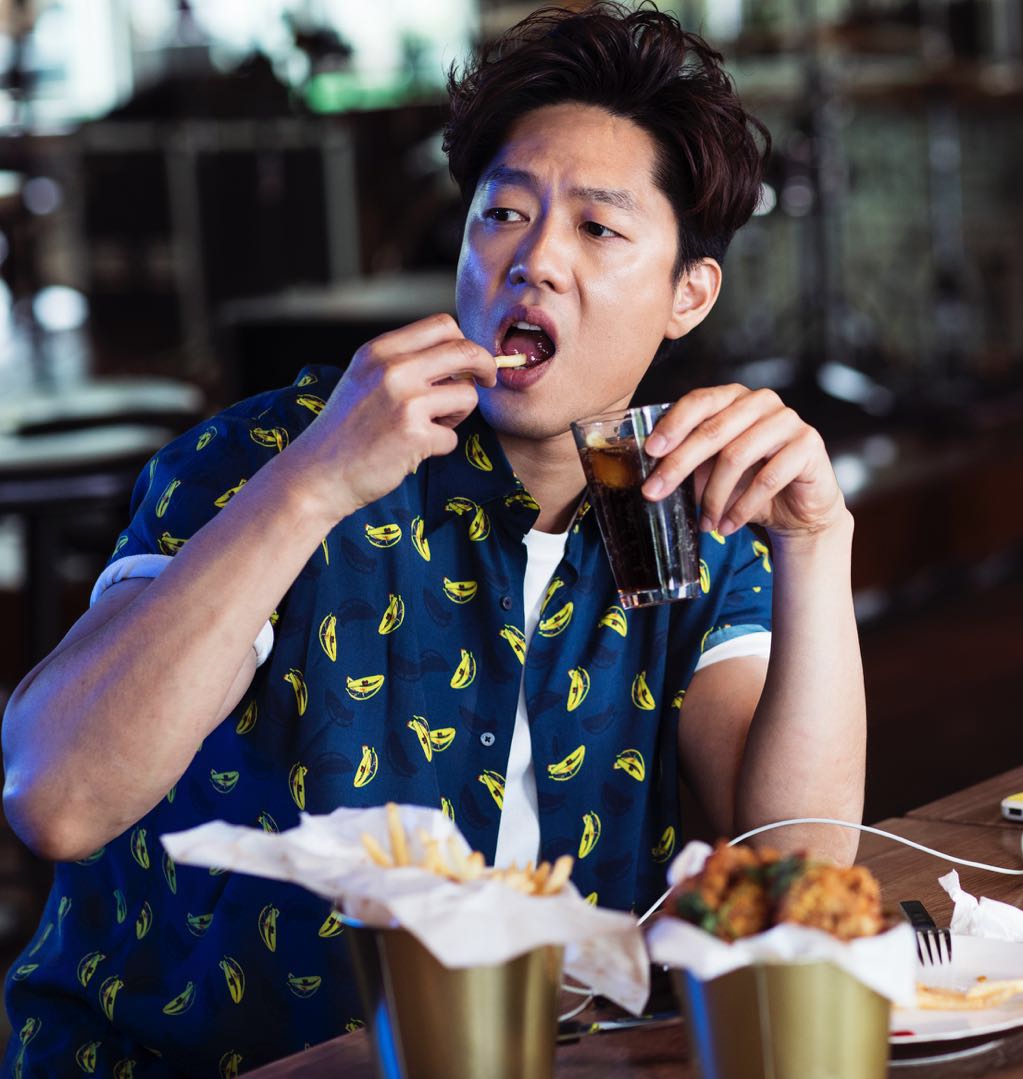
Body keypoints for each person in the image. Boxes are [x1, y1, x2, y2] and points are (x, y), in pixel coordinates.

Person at [0, 5, 866, 1074]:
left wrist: (816, 542)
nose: (533, 260)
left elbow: (795, 867)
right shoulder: (275, 455)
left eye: (597, 229)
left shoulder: (673, 498)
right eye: (503, 213)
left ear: (689, 295)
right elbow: (55, 797)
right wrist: (314, 482)